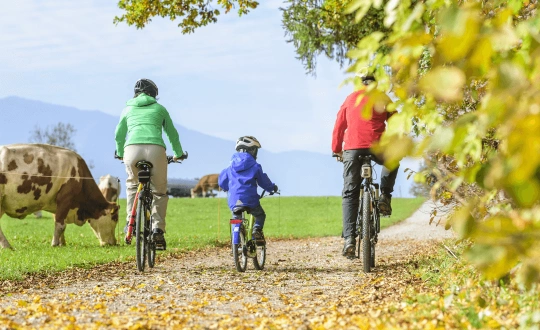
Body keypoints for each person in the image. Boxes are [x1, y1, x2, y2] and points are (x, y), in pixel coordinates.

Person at [331, 73, 398, 258]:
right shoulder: (383, 97)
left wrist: (337, 150)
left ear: (359, 84)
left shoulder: (350, 98)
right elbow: (396, 123)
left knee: (350, 192)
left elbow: (339, 126)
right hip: (378, 147)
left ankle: (349, 240)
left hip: (353, 148)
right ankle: (384, 195)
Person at [115, 78, 185, 250]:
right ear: (154, 94)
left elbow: (118, 134)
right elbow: (172, 134)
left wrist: (120, 153)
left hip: (132, 150)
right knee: (159, 192)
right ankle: (158, 231)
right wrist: (178, 154)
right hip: (155, 149)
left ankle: (129, 222)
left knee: (132, 185)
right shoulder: (160, 109)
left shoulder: (127, 109)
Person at [218, 136, 278, 242]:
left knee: (236, 218)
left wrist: (225, 187)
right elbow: (264, 182)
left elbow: (222, 182)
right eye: (255, 150)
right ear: (251, 150)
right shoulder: (255, 166)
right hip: (251, 200)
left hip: (234, 200)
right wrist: (272, 188)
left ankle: (235, 243)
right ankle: (256, 230)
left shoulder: (230, 167)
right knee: (260, 215)